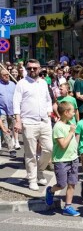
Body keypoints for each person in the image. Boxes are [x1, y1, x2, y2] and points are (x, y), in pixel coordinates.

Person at [13, 59, 53, 191]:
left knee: (49, 149)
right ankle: (32, 178)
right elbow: (16, 103)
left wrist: (49, 111)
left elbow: (48, 99)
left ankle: (39, 170)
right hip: (29, 122)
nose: (32, 70)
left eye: (34, 68)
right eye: (29, 68)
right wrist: (18, 120)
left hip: (44, 121)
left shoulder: (43, 83)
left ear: (39, 68)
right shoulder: (21, 84)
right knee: (30, 153)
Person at [45, 102, 80, 216]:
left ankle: (68, 207)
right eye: (72, 111)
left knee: (72, 183)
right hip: (61, 160)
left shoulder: (70, 122)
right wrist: (71, 132)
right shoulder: (58, 126)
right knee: (61, 184)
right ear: (66, 112)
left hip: (73, 158)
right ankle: (50, 191)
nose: (74, 113)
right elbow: (63, 145)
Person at [0, 69, 17, 158]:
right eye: (4, 75)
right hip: (1, 111)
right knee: (5, 129)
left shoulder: (13, 84)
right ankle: (11, 149)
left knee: (10, 128)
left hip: (12, 111)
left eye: (7, 74)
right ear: (0, 76)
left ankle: (2, 141)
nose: (6, 76)